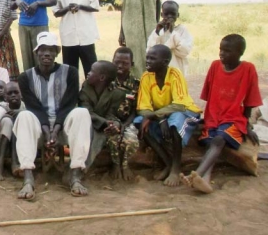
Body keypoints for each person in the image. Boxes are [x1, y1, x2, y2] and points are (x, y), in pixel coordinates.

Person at [14, 32, 92, 199]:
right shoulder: (25, 77)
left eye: (51, 50)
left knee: (81, 113)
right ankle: (28, 178)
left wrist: (55, 131)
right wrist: (47, 131)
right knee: (24, 116)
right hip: (39, 126)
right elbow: (34, 108)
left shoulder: (70, 72)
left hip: (63, 124)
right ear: (36, 53)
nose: (47, 54)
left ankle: (76, 175)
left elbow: (68, 104)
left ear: (57, 53)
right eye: (43, 50)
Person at [182, 34, 262, 193]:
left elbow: (250, 101)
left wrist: (247, 125)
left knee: (219, 140)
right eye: (220, 49)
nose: (221, 53)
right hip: (213, 118)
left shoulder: (248, 69)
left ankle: (198, 174)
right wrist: (205, 119)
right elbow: (209, 96)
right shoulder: (214, 66)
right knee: (211, 142)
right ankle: (204, 180)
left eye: (227, 50)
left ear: (240, 52)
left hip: (234, 118)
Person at [135, 44, 201, 187]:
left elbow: (179, 105)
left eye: (152, 59)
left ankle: (176, 169)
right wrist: (159, 118)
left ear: (165, 62)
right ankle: (168, 163)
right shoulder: (146, 77)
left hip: (185, 111)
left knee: (175, 122)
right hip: (162, 115)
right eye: (147, 58)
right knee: (139, 122)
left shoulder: (175, 74)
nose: (148, 61)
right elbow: (143, 107)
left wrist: (160, 116)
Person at [53, 0, 100, 76]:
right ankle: (72, 93)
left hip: (86, 35)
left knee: (91, 70)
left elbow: (95, 7)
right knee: (70, 72)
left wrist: (80, 6)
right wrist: (67, 8)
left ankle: (90, 93)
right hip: (68, 37)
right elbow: (56, 12)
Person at [79, 61, 127, 174]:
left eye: (92, 71)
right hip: (87, 123)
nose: (88, 73)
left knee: (102, 136)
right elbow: (86, 111)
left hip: (103, 127)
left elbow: (112, 114)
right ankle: (77, 167)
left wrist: (114, 125)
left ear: (102, 77)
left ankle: (82, 169)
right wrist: (106, 123)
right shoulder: (86, 87)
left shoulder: (117, 94)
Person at [109, 47, 141, 181]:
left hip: (129, 121)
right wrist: (114, 123)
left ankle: (125, 165)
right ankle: (115, 165)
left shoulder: (137, 84)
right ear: (112, 61)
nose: (120, 66)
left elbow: (136, 109)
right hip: (110, 120)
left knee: (131, 141)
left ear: (132, 64)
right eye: (117, 62)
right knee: (112, 138)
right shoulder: (106, 81)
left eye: (125, 63)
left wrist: (126, 124)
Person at [147, 1, 193, 76]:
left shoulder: (182, 30)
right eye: (166, 14)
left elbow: (185, 52)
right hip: (158, 74)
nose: (169, 17)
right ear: (162, 14)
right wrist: (157, 32)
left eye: (173, 14)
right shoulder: (158, 31)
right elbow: (149, 51)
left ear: (177, 15)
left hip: (176, 73)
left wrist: (172, 33)